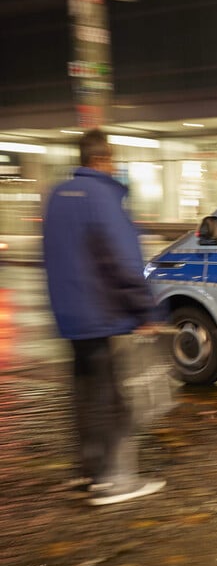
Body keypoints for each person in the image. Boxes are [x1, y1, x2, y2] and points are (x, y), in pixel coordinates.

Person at [42, 128, 167, 506]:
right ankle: (115, 480)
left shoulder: (57, 197)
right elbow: (123, 261)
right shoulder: (103, 197)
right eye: (112, 159)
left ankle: (89, 472)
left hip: (71, 317)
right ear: (103, 159)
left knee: (84, 396)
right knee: (112, 399)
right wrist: (144, 310)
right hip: (102, 314)